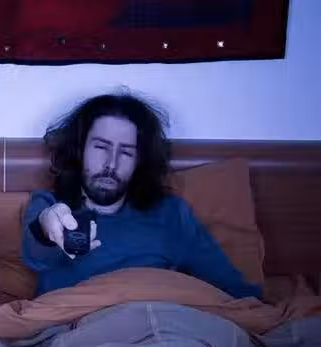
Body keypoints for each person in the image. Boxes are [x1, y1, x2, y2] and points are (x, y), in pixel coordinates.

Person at [21, 93, 261, 299]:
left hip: (165, 323)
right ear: (79, 150)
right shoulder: (49, 205)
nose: (111, 163)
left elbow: (233, 290)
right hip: (81, 327)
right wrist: (46, 228)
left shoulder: (172, 215)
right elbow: (36, 253)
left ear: (140, 162)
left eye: (126, 152)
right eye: (101, 147)